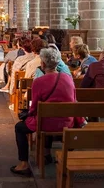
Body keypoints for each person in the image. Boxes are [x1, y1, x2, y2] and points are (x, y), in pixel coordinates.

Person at [11, 48, 80, 176]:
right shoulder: (68, 78)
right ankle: (46, 154)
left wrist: (28, 115)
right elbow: (74, 99)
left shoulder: (39, 81)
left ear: (42, 64)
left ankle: (24, 164)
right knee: (49, 117)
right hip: (67, 121)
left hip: (46, 122)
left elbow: (35, 107)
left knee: (20, 127)